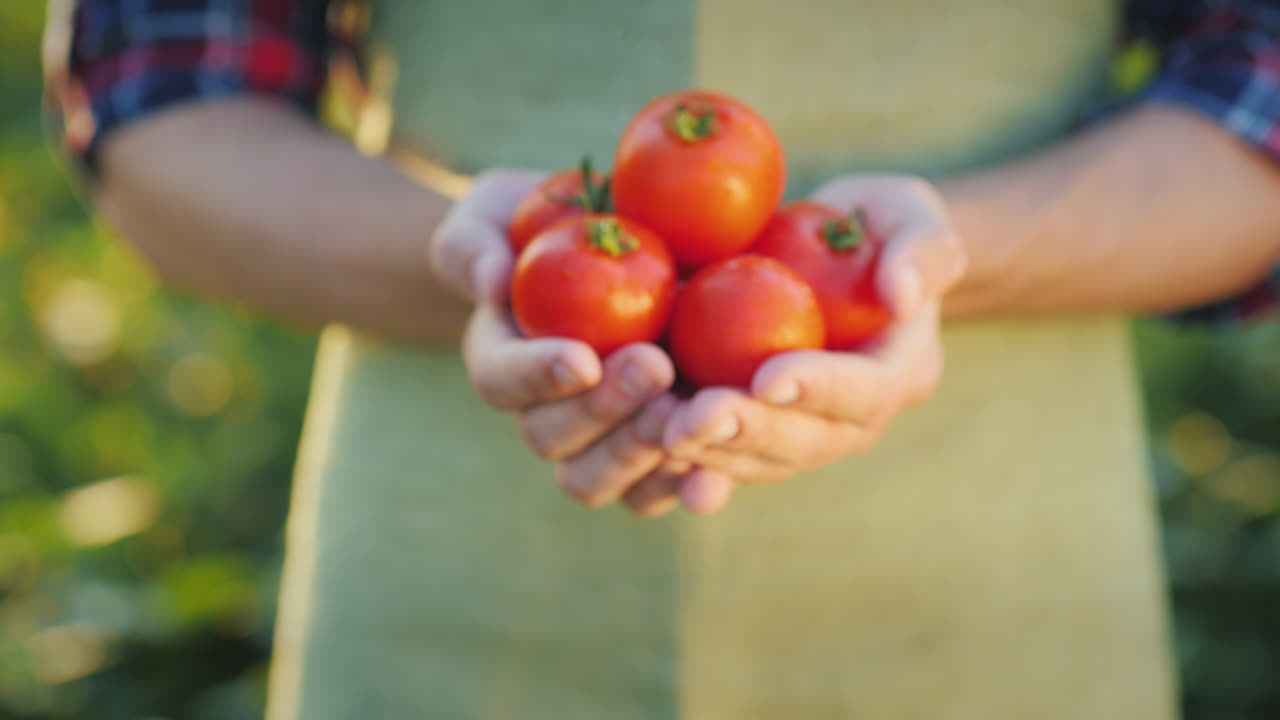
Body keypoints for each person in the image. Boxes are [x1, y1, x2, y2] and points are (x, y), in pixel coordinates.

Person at [45, 0, 1280, 717]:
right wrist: (474, 260)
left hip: (1010, 594)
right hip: (446, 590)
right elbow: (164, 103)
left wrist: (945, 255)